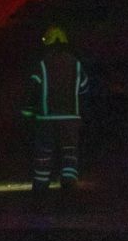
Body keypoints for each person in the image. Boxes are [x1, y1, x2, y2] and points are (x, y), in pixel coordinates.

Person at [22, 25, 91, 200]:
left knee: (44, 153)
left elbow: (33, 90)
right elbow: (84, 88)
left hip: (46, 119)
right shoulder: (76, 64)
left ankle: (40, 188)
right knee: (70, 152)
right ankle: (69, 186)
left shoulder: (42, 64)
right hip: (71, 119)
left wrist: (28, 111)